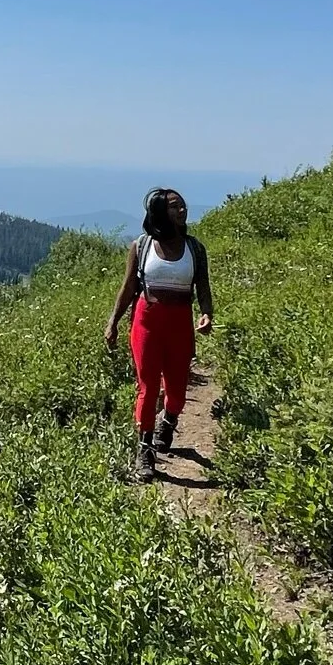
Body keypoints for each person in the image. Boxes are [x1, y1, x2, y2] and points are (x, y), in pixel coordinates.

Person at [104, 186, 213, 481]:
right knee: (147, 387)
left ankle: (170, 418)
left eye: (183, 205)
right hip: (147, 321)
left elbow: (202, 285)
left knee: (176, 391)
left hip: (179, 323)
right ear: (160, 213)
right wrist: (113, 321)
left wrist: (206, 313)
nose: (182, 210)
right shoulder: (141, 247)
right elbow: (128, 287)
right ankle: (145, 451)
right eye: (175, 206)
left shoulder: (195, 249)